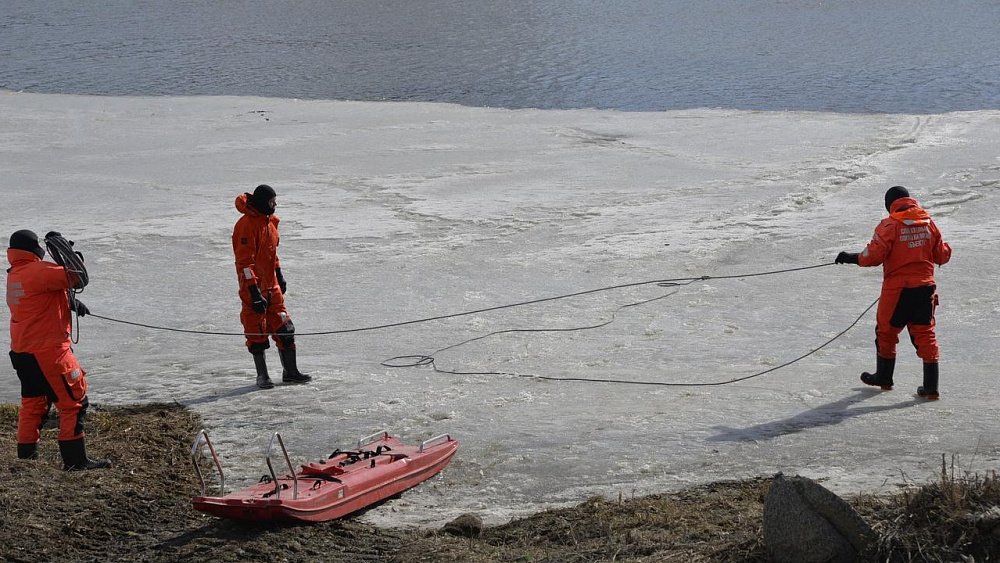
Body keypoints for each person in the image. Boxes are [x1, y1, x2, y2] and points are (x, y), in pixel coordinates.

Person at [6, 229, 110, 470]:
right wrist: (67, 249)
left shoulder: (15, 274)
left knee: (34, 403)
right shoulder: (39, 271)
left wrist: (69, 302)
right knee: (74, 401)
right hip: (48, 351)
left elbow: (36, 298)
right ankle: (76, 462)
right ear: (35, 249)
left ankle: (27, 459)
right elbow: (78, 276)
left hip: (23, 351)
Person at [835, 186, 952, 400]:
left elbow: (873, 256)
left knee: (886, 331)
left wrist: (850, 257)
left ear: (890, 205)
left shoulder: (889, 225)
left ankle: (884, 377)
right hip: (925, 289)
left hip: (897, 290)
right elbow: (942, 256)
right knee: (926, 335)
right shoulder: (929, 223)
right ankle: (931, 388)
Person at [232, 184, 312, 389]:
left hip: (272, 286)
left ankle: (290, 372)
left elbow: (272, 254)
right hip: (254, 288)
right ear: (261, 202)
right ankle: (263, 376)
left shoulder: (270, 224)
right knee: (256, 332)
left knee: (285, 328)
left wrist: (279, 274)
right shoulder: (246, 225)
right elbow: (245, 263)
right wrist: (253, 291)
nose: (275, 205)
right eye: (271, 202)